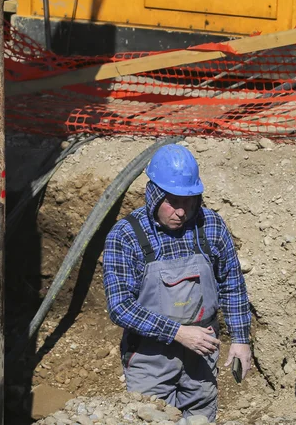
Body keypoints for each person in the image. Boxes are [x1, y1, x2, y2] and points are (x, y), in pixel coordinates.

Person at [102, 143, 253, 421]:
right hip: (149, 359)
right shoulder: (126, 236)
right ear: (155, 195)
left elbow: (232, 283)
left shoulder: (210, 226)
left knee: (201, 417)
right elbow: (120, 307)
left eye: (189, 201)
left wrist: (241, 339)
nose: (181, 212)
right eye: (173, 201)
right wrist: (178, 333)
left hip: (202, 351)